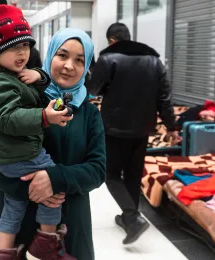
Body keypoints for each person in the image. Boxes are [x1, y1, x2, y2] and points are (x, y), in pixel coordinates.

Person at [0, 1, 76, 259]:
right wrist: (45, 116)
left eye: (25, 45)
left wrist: (39, 77)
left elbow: (25, 91)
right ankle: (46, 245)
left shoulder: (6, 74)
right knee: (52, 187)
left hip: (8, 154)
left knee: (15, 201)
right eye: (12, 47)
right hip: (20, 153)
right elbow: (7, 117)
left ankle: (5, 251)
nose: (21, 53)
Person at [0, 27, 105, 260]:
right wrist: (30, 190)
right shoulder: (22, 99)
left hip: (70, 218)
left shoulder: (89, 113)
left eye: (79, 60)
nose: (69, 66)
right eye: (62, 55)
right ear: (50, 54)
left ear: (86, 67)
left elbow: (98, 170)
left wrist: (54, 179)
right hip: (18, 221)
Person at [87, 22, 178, 244]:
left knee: (109, 175)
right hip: (143, 128)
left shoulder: (109, 59)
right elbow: (164, 97)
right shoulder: (154, 60)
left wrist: (92, 66)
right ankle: (129, 219)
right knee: (133, 175)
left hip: (115, 129)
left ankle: (133, 216)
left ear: (112, 40)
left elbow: (93, 89)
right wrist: (172, 126)